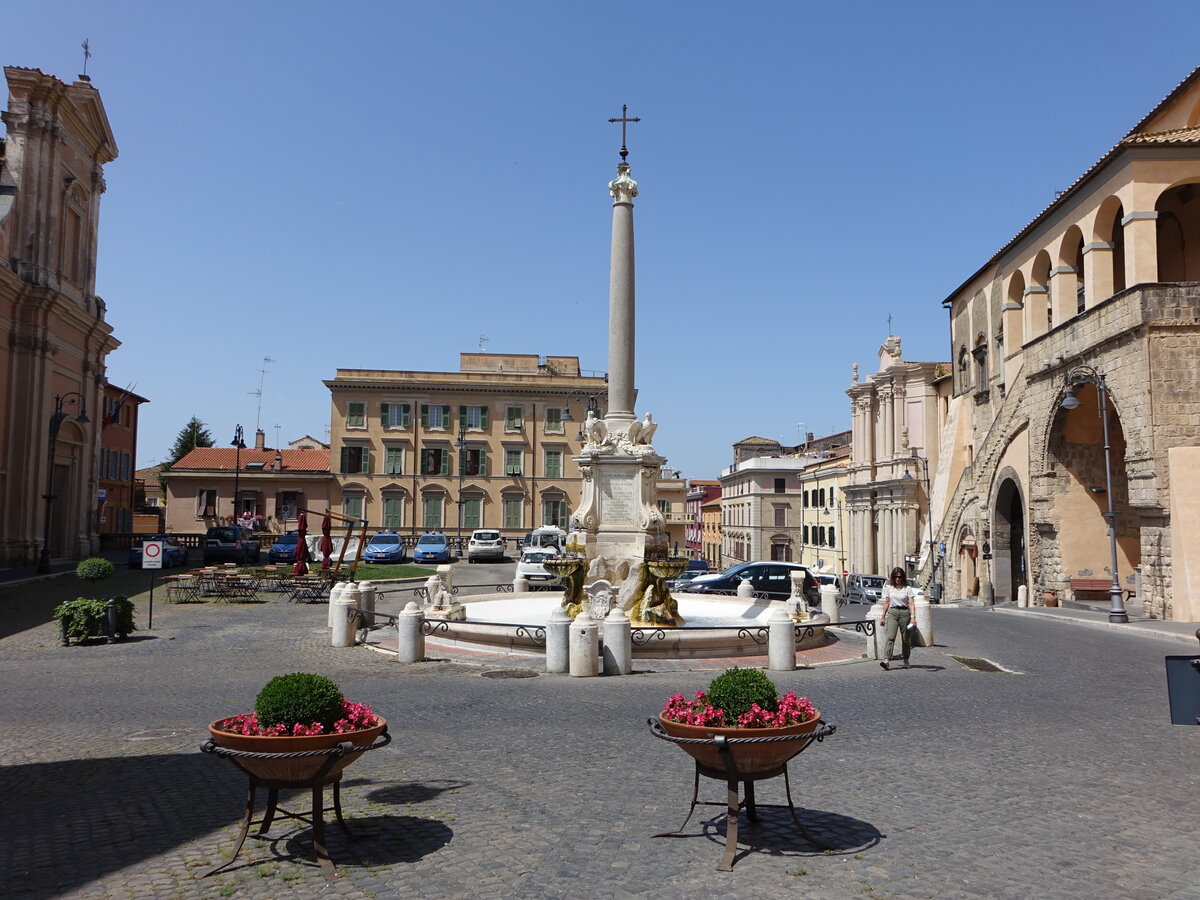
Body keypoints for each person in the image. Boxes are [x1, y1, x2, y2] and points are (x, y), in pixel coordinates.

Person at [880, 566, 916, 670]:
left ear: (903, 577)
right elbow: (886, 602)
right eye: (895, 577)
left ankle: (906, 659)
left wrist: (913, 618)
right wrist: (882, 616)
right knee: (890, 636)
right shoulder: (889, 588)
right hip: (893, 613)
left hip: (904, 613)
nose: (897, 579)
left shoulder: (907, 589)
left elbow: (912, 604)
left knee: (905, 638)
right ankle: (886, 660)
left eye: (899, 577)